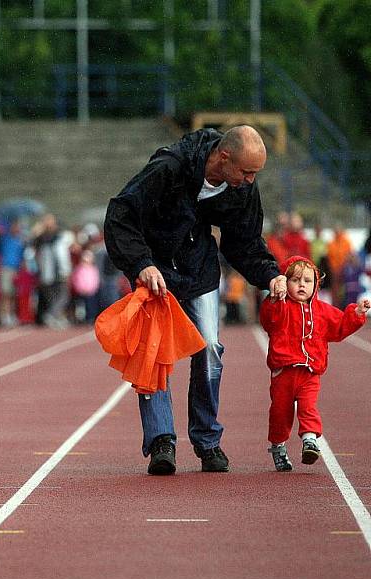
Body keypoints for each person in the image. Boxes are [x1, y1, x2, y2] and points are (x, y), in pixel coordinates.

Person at [104, 125, 286, 475]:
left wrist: (270, 274)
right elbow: (120, 215)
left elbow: (244, 241)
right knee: (153, 353)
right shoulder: (170, 167)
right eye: (246, 172)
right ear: (223, 157)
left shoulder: (242, 188)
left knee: (211, 348)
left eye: (255, 174)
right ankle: (162, 441)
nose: (250, 181)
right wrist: (142, 264)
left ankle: (207, 440)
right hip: (155, 269)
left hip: (198, 268)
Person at [260, 255, 369, 471]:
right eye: (295, 280)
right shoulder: (280, 307)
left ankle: (310, 439)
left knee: (309, 407)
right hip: (284, 372)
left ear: (316, 285)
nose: (301, 285)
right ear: (285, 282)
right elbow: (268, 320)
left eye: (307, 281)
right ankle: (278, 446)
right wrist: (274, 299)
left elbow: (339, 327)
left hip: (310, 372)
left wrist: (356, 314)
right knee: (280, 414)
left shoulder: (322, 310)